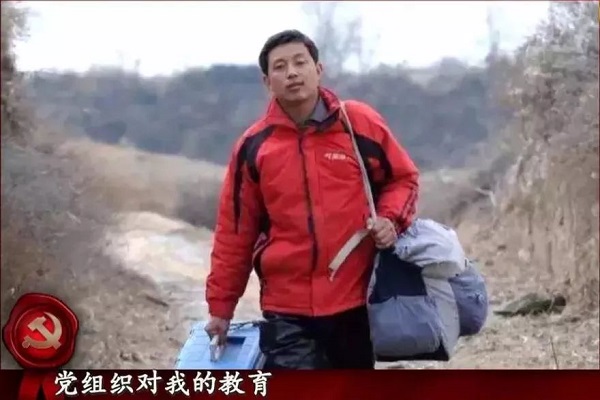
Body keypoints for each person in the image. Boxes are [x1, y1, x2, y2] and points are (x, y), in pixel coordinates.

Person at [205, 29, 419, 369]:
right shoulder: (254, 146)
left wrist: (390, 219)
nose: (291, 73)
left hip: (355, 299)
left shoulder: (357, 124)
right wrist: (221, 307)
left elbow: (403, 178)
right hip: (286, 307)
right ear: (267, 82)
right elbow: (235, 232)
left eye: (300, 62)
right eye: (280, 67)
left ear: (318, 70)